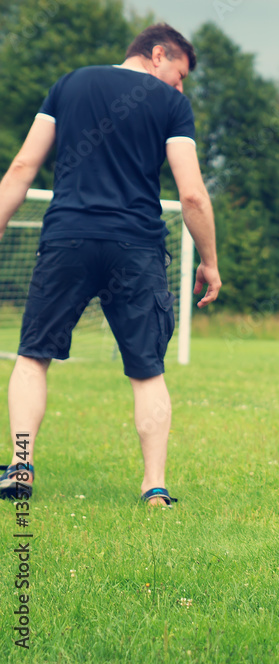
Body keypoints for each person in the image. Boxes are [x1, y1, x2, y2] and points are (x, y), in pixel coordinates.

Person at [0, 23, 221, 507]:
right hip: (136, 248)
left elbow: (21, 168)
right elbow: (191, 194)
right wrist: (209, 261)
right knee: (147, 370)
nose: (180, 88)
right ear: (158, 54)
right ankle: (155, 488)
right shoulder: (171, 106)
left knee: (33, 356)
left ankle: (20, 467)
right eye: (180, 75)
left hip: (68, 240)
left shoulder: (70, 84)